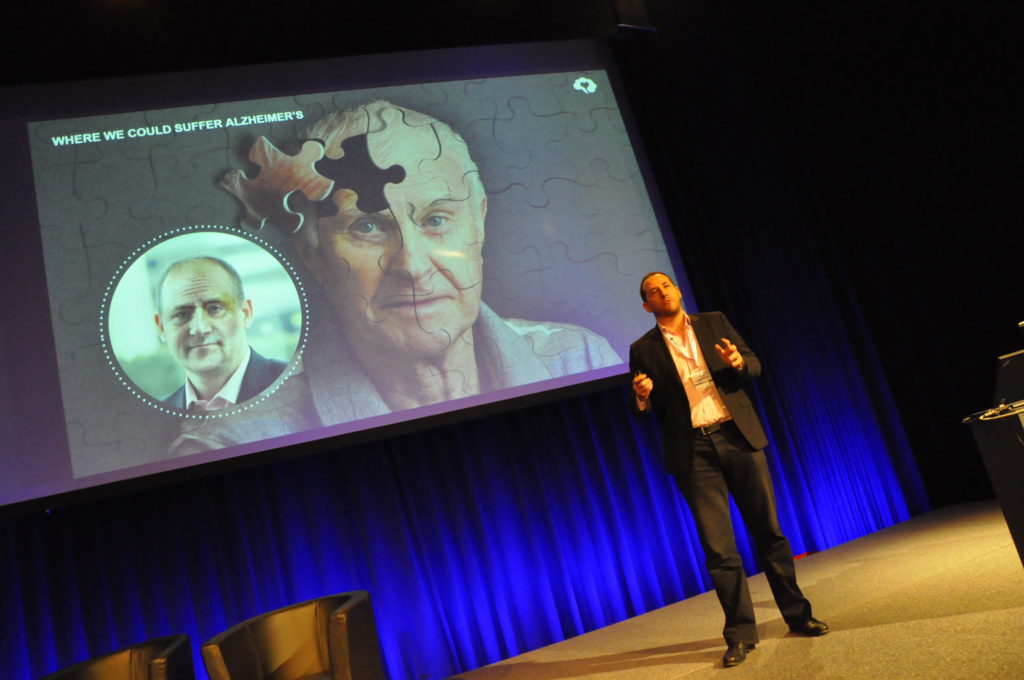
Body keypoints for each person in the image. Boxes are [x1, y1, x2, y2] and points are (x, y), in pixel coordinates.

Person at [166, 100, 620, 452]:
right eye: (367, 227)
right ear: (312, 254)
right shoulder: (230, 442)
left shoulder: (582, 360)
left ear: (479, 223)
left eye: (437, 219)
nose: (413, 266)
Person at [629, 272, 828, 668]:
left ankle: (798, 615)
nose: (662, 292)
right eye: (653, 291)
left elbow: (753, 366)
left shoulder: (714, 322)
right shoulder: (643, 348)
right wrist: (641, 398)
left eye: (666, 285)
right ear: (647, 305)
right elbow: (643, 408)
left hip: (737, 436)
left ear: (677, 290)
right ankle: (740, 635)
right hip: (694, 452)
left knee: (769, 533)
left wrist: (738, 363)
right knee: (719, 550)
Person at [154, 256, 287, 411]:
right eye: (182, 314)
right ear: (161, 327)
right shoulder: (154, 417)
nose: (200, 328)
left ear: (246, 313)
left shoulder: (300, 386)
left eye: (215, 308)